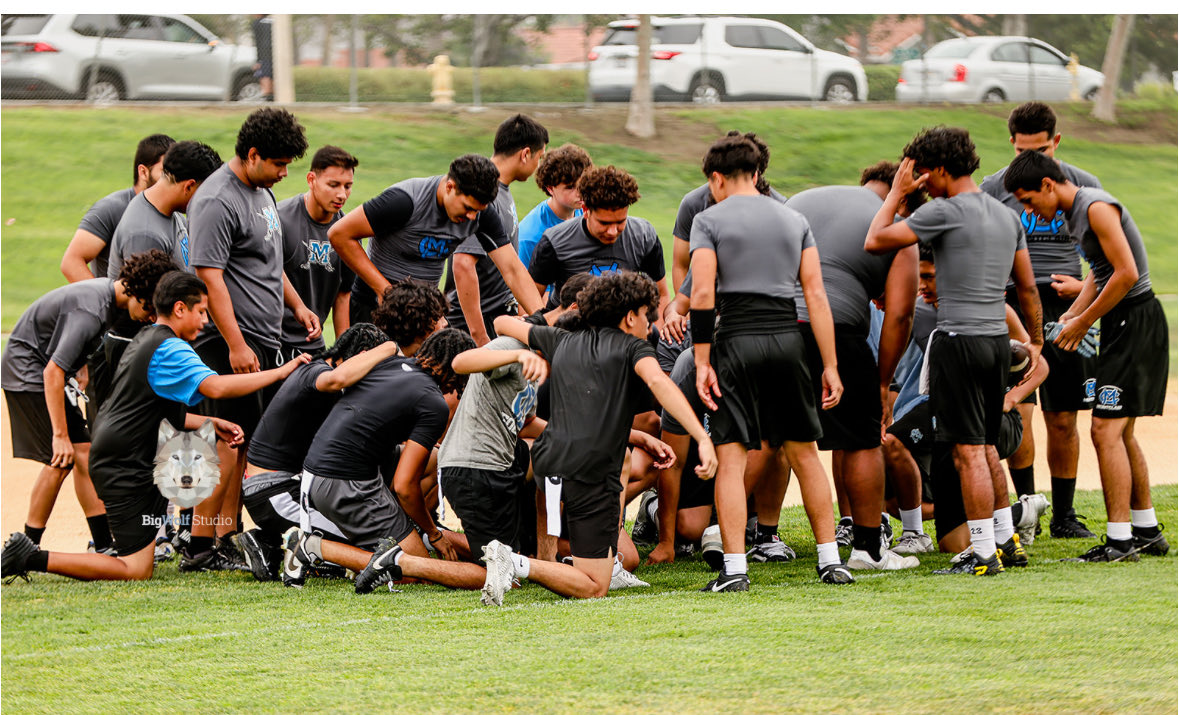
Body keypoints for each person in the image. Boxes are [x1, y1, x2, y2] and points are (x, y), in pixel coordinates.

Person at [0, 272, 309, 583]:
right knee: (135, 569)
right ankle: (29, 556)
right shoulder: (169, 349)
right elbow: (216, 387)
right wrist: (281, 373)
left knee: (143, 551)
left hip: (124, 457)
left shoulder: (147, 338)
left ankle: (195, 547)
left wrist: (210, 422)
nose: (205, 321)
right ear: (179, 309)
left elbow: (149, 410)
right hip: (124, 465)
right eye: (201, 311)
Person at [865, 126, 1043, 577]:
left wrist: (898, 194)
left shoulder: (944, 212)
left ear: (941, 169)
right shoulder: (1006, 217)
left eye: (924, 174)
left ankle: (982, 553)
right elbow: (1025, 286)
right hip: (993, 344)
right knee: (984, 447)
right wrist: (1036, 340)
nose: (922, 182)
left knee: (965, 452)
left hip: (958, 343)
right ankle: (1006, 540)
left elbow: (876, 239)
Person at [478, 272, 716, 603]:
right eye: (647, 316)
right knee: (594, 587)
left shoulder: (560, 338)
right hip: (591, 469)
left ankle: (539, 560)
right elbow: (660, 384)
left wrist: (539, 331)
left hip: (549, 461)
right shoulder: (634, 347)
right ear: (630, 315)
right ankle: (515, 562)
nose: (650, 326)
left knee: (592, 567)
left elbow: (502, 323)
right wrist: (701, 437)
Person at [688, 134, 847, 591]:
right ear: (757, 174)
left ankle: (735, 570)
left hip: (737, 338)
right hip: (788, 337)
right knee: (804, 453)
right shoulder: (794, 218)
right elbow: (815, 294)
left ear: (716, 178)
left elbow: (701, 294)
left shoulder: (708, 219)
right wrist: (830, 365)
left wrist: (702, 361)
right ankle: (831, 560)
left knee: (732, 458)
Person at [1004, 149, 1170, 562]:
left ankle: (1119, 542)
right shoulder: (1075, 212)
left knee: (1105, 430)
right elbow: (1099, 270)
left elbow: (1127, 273)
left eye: (1028, 200)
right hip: (1121, 322)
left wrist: (1081, 322)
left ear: (1047, 184)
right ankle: (1146, 530)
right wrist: (1070, 318)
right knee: (1120, 431)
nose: (1029, 211)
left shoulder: (1094, 206)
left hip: (1135, 321)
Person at [183, 107, 314, 570]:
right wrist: (237, 344)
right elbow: (210, 278)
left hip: (267, 338)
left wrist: (296, 306)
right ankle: (200, 546)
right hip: (230, 343)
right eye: (278, 164)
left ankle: (228, 538)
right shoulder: (218, 199)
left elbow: (269, 263)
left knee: (246, 446)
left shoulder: (261, 193)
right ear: (252, 154)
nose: (283, 174)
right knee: (225, 443)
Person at [786, 161, 923, 571]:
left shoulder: (805, 200)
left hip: (764, 328)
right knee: (863, 439)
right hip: (836, 329)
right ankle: (867, 548)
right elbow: (899, 315)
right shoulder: (898, 228)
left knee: (761, 440)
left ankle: (737, 547)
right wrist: (883, 383)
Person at [979, 101, 1103, 539]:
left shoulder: (1083, 186)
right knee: (1020, 412)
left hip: (1066, 307)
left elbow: (1107, 255)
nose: (1031, 157)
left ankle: (1065, 516)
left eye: (1042, 149)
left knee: (1064, 416)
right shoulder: (993, 188)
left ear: (1057, 142)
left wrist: (1083, 295)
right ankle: (1027, 506)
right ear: (1010, 143)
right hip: (1013, 304)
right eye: (1022, 149)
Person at [1, 250, 178, 556]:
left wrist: (78, 365)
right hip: (27, 373)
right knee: (61, 459)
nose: (151, 317)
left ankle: (104, 544)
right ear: (137, 292)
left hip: (42, 368)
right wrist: (59, 436)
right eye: (151, 308)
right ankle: (24, 548)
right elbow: (52, 371)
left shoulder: (107, 299)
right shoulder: (93, 309)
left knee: (84, 453)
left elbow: (66, 345)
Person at [282, 329, 484, 592]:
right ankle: (310, 547)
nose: (457, 389)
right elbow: (404, 486)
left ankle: (406, 529)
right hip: (345, 483)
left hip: (318, 470)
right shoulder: (434, 403)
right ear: (454, 370)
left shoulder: (390, 364)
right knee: (412, 571)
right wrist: (434, 533)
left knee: (439, 458)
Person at [236, 323, 400, 581]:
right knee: (364, 545)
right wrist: (390, 348)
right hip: (272, 491)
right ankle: (272, 541)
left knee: (364, 531)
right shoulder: (318, 371)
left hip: (294, 485)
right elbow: (336, 379)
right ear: (363, 355)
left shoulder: (323, 374)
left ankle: (268, 541)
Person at [329, 154, 543, 326]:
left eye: (477, 211)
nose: (471, 218)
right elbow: (339, 234)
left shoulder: (480, 215)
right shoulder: (404, 202)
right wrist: (384, 290)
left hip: (423, 309)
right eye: (467, 208)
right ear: (449, 187)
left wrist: (545, 327)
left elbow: (513, 270)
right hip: (374, 305)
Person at [444, 114, 549, 345]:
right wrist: (480, 339)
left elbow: (512, 268)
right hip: (474, 327)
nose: (538, 166)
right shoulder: (481, 195)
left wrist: (545, 325)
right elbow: (462, 264)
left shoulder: (502, 191)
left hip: (498, 318)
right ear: (525, 154)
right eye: (539, 157)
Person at [528, 165, 669, 324]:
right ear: (585, 209)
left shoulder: (644, 236)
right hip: (569, 332)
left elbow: (662, 295)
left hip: (624, 331)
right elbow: (530, 297)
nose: (612, 231)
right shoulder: (555, 242)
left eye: (620, 222)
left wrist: (653, 338)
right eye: (604, 223)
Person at [671, 130, 785, 293]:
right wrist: (687, 311)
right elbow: (681, 265)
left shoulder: (783, 209)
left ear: (755, 176)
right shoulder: (694, 205)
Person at [277, 145, 360, 362]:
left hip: (313, 343)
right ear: (311, 179)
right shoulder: (280, 219)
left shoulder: (348, 232)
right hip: (274, 341)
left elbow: (343, 296)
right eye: (333, 185)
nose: (342, 194)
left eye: (348, 186)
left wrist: (342, 353)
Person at [60, 134, 175, 283]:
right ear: (143, 172)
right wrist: (106, 301)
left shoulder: (174, 212)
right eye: (164, 172)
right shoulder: (112, 209)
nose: (172, 179)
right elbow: (71, 263)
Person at [107, 141, 222, 279]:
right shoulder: (145, 236)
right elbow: (150, 298)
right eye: (205, 193)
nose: (206, 202)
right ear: (189, 186)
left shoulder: (172, 211)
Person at [516, 143, 592, 271]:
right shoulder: (530, 236)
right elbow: (523, 286)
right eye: (570, 187)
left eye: (583, 183)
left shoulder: (587, 213)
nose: (580, 192)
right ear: (550, 188)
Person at [251, 15, 273, 102]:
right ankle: (271, 98)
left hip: (264, 56)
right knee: (272, 80)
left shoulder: (257, 23)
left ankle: (267, 98)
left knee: (265, 78)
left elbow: (258, 41)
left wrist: (258, 61)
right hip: (276, 55)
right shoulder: (274, 21)